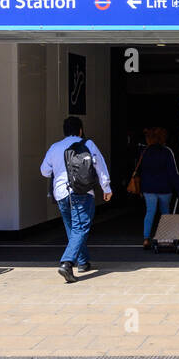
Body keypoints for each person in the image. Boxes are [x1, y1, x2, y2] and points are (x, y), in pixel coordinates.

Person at [40, 115, 112, 283]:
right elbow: (99, 166)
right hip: (82, 192)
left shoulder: (55, 147)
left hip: (61, 194)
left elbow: (44, 171)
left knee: (73, 229)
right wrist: (106, 188)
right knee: (80, 228)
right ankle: (67, 263)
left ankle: (83, 262)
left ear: (64, 131)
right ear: (80, 130)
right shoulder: (88, 144)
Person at [137, 127, 179, 249]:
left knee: (150, 212)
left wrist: (141, 188)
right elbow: (173, 173)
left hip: (148, 188)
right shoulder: (167, 152)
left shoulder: (145, 151)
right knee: (165, 214)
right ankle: (166, 237)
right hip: (164, 188)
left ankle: (146, 238)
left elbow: (141, 171)